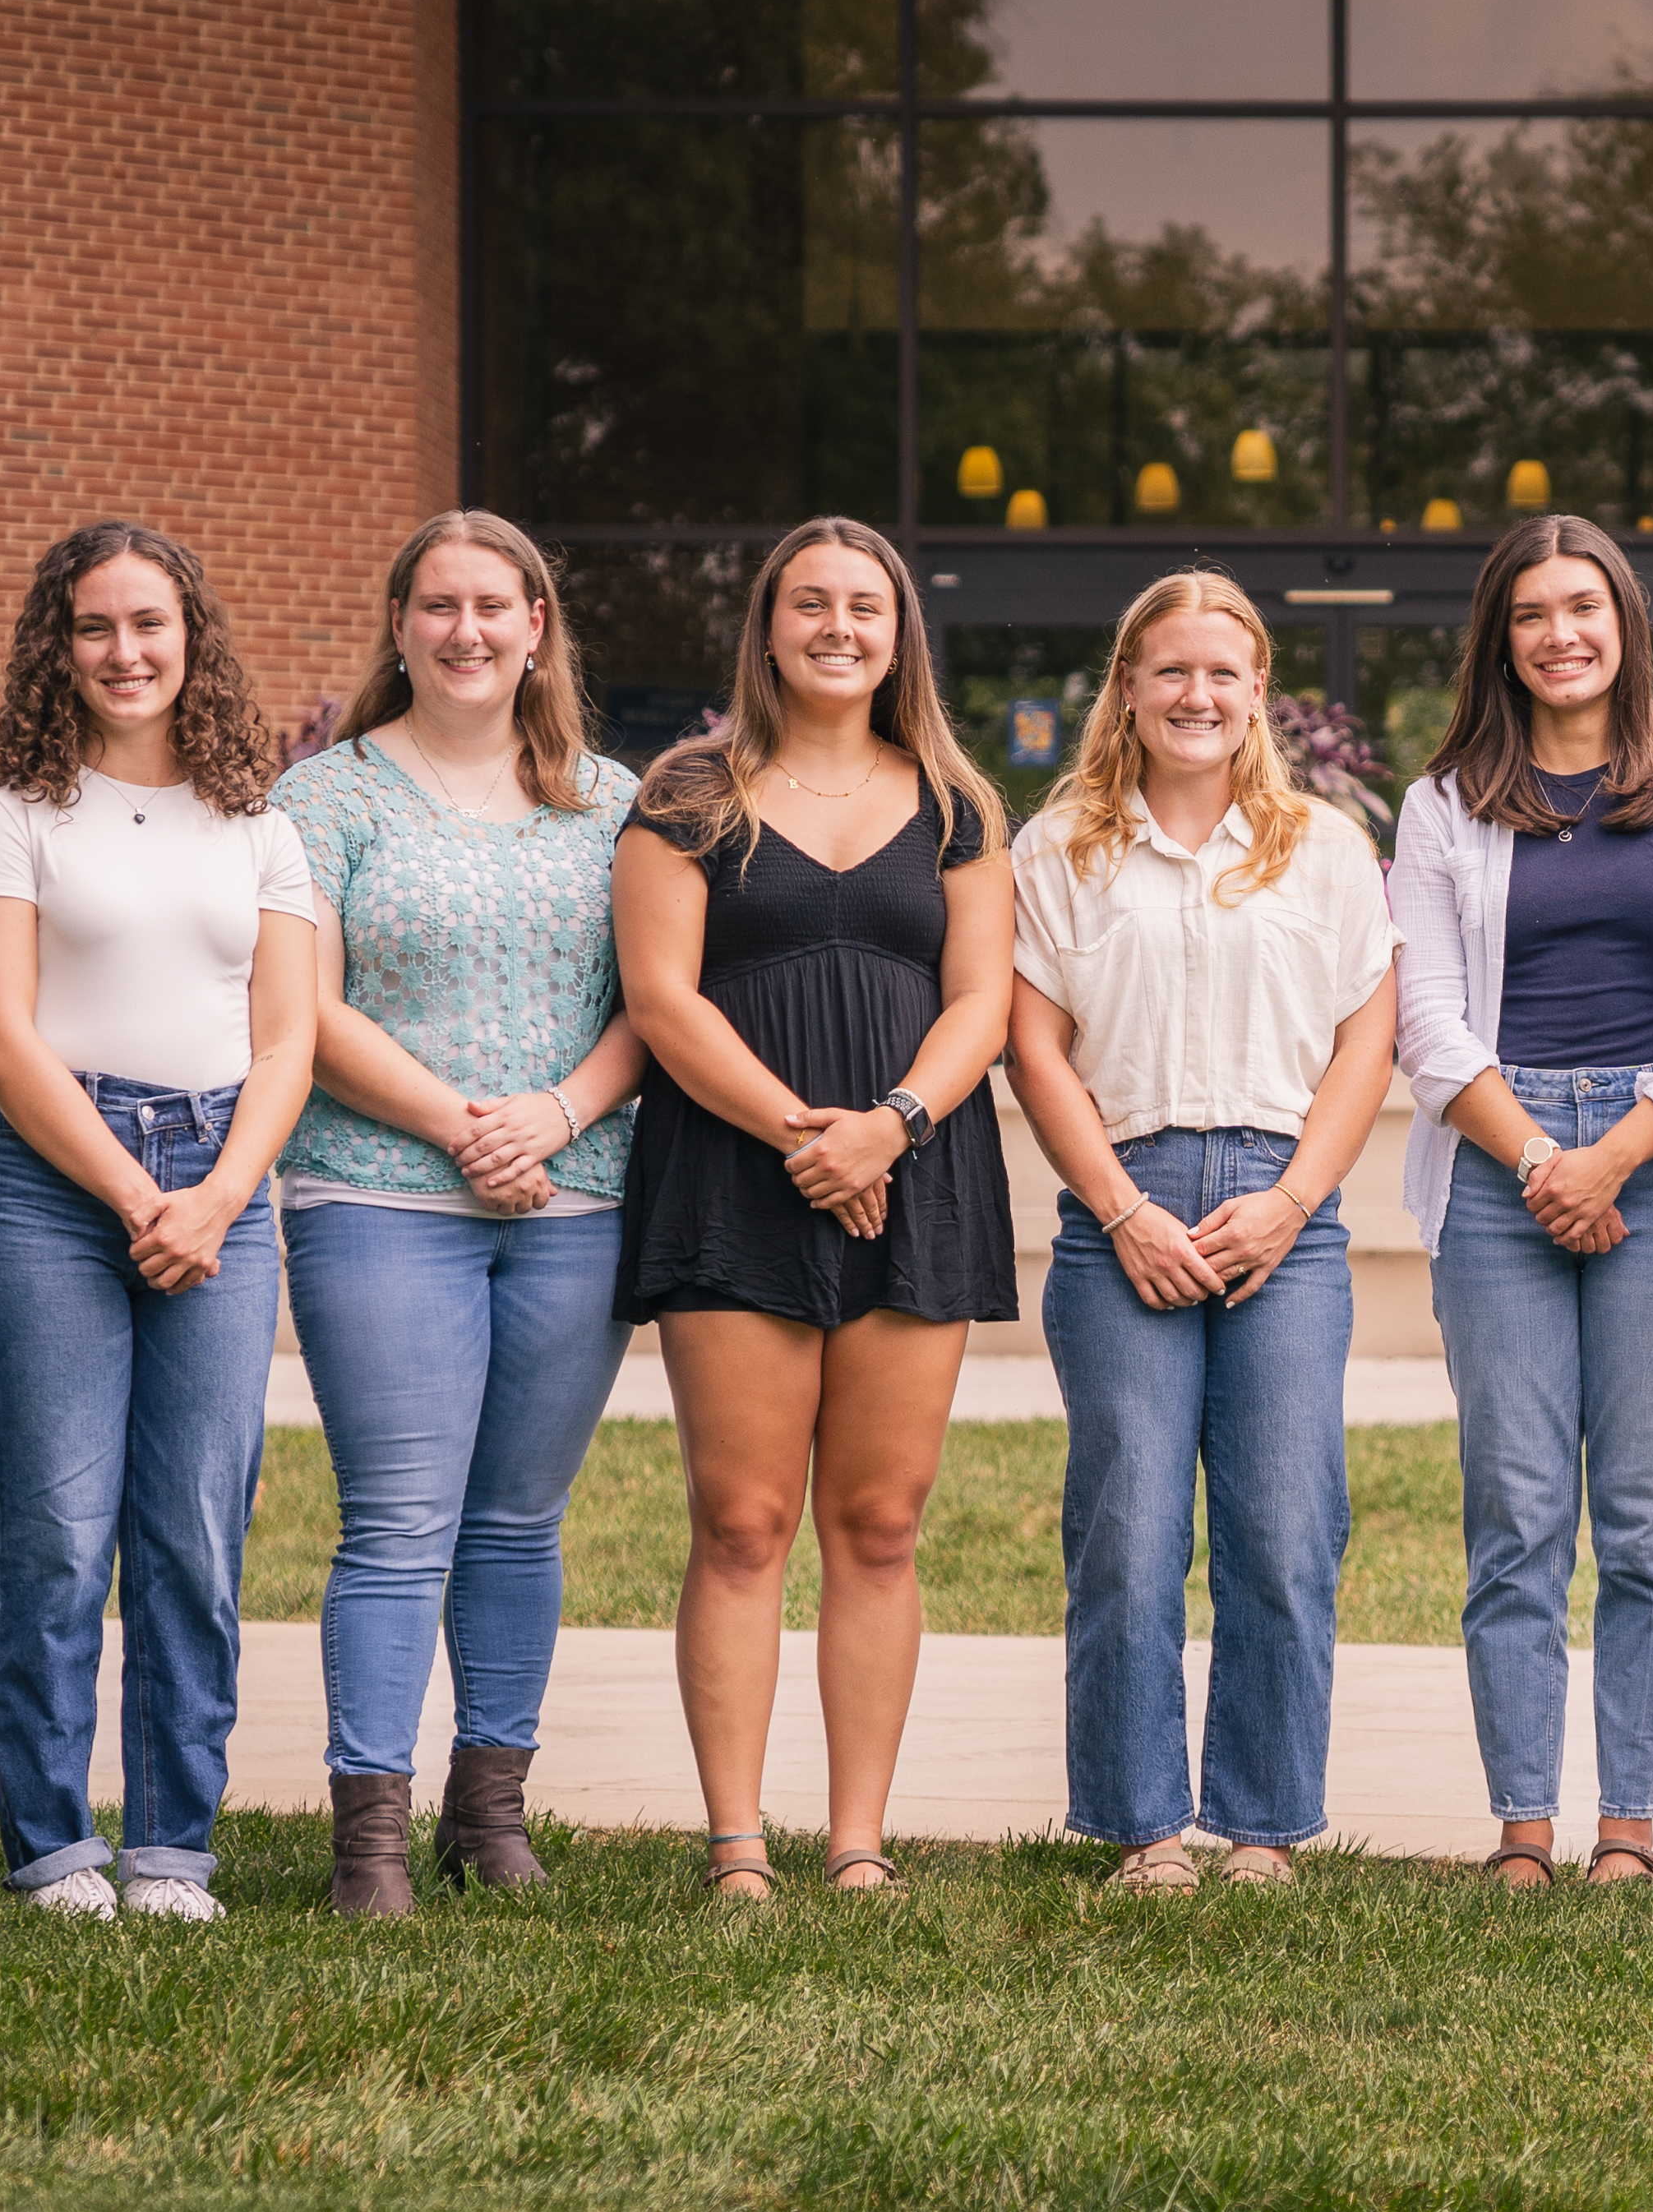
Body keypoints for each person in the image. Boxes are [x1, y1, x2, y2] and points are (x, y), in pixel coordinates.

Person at [612, 516, 1017, 1900]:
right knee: (740, 1519)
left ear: (900, 631)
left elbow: (983, 999)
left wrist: (888, 1126)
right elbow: (660, 999)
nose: (839, 627)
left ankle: (856, 1840)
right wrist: (803, 1135)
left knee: (882, 1522)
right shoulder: (689, 794)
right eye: (811, 604)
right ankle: (736, 1843)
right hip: (737, 1170)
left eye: (867, 606)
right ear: (768, 628)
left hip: (919, 1173)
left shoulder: (958, 802)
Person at [272, 511, 645, 1918]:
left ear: (537, 624)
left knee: (516, 1523)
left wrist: (550, 1118)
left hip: (577, 1192)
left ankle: (488, 1815)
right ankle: (367, 1839)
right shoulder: (329, 800)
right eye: (440, 605)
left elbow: (651, 1002)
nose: (468, 630)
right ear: (402, 623)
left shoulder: (614, 800)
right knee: (396, 1522)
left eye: (496, 604)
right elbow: (301, 1003)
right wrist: (459, 1123)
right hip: (377, 1191)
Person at [0, 521, 318, 1922]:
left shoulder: (262, 824)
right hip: (57, 1185)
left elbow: (286, 1041)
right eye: (95, 628)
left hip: (223, 1182)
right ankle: (52, 1844)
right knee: (53, 1529)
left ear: (191, 638)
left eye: (149, 624)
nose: (124, 652)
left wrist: (217, 1196)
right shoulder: (10, 815)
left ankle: (172, 1848)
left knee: (197, 1532)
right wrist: (131, 1188)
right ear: (59, 646)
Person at [1008, 570, 1401, 1895]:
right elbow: (1034, 1046)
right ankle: (1143, 1825)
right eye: (1170, 671)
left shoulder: (1327, 847)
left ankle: (1263, 1822)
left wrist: (1291, 1202)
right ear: (1127, 685)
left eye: (1222, 674)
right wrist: (1123, 1210)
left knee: (1287, 1525)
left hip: (1285, 1210)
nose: (1197, 695)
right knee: (1125, 1529)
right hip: (1119, 1204)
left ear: (1258, 693)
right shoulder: (1059, 849)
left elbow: (1368, 1041)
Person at [1392, 516, 1653, 1889]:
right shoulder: (1442, 805)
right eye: (1530, 612)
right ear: (1502, 637)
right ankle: (1525, 1826)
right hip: (1497, 1169)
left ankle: (1630, 1829)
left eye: (1583, 605)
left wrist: (1624, 1148)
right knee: (1518, 1507)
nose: (1559, 633)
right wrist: (1545, 1158)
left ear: (1625, 624)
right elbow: (1426, 1020)